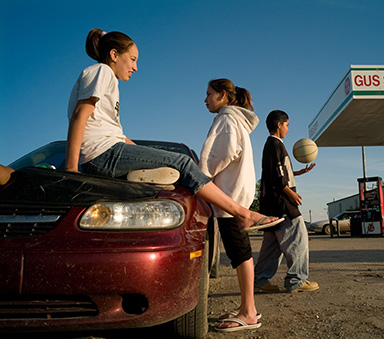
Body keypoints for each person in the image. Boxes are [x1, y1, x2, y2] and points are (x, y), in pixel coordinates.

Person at [65, 28, 280, 230]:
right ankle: (243, 214)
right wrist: (72, 170)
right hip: (102, 155)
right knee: (183, 162)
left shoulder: (107, 79)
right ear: (113, 54)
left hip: (109, 152)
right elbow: (79, 115)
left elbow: (118, 137)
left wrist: (152, 156)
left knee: (174, 163)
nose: (135, 67)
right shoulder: (102, 71)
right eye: (132, 59)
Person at [199, 79, 263, 332]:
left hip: (228, 198)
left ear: (222, 95)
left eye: (209, 94)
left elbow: (219, 155)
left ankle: (249, 313)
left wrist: (200, 176)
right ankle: (247, 308)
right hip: (236, 195)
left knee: (240, 254)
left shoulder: (226, 120)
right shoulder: (236, 120)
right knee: (240, 254)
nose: (205, 99)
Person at [254, 110, 319, 293]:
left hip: (271, 204)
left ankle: (259, 281)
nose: (288, 129)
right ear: (279, 125)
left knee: (271, 245)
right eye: (287, 125)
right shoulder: (275, 144)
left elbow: (276, 172)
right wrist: (290, 193)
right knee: (298, 238)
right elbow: (277, 176)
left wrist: (298, 173)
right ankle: (297, 280)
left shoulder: (271, 145)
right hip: (282, 203)